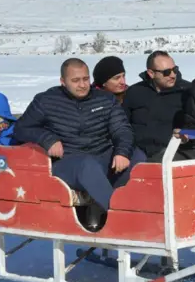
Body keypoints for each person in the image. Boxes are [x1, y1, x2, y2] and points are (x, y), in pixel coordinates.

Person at [14, 58, 145, 230]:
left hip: (101, 154)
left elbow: (122, 129)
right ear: (63, 81)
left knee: (138, 157)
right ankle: (121, 219)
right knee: (87, 166)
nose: (82, 85)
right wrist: (47, 139)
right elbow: (21, 128)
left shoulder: (105, 99)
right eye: (75, 80)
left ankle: (129, 207)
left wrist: (122, 152)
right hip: (68, 161)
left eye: (85, 79)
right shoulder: (46, 101)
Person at [123, 51, 191, 161]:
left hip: (172, 152)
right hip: (137, 152)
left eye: (175, 70)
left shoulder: (187, 92)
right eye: (166, 72)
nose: (173, 75)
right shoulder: (134, 92)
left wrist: (187, 133)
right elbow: (123, 125)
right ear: (151, 73)